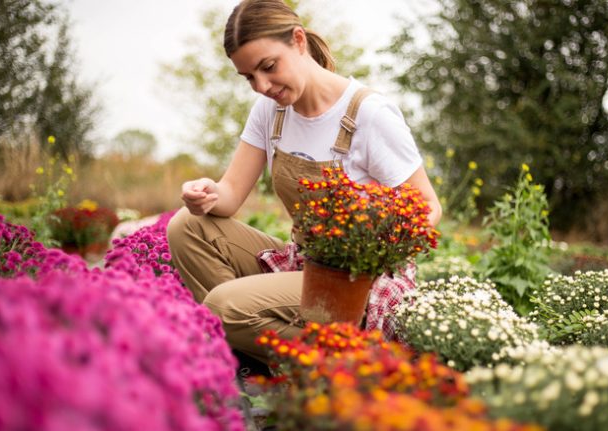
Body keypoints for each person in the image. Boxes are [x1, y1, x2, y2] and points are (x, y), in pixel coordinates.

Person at [166, 0, 441, 367]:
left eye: (268, 67)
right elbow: (229, 196)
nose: (261, 86)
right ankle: (258, 344)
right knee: (187, 226)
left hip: (356, 282)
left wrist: (370, 251)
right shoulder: (271, 111)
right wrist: (205, 193)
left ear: (298, 41)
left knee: (223, 305)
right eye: (249, 77)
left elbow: (429, 206)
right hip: (304, 264)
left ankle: (355, 365)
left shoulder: (369, 114)